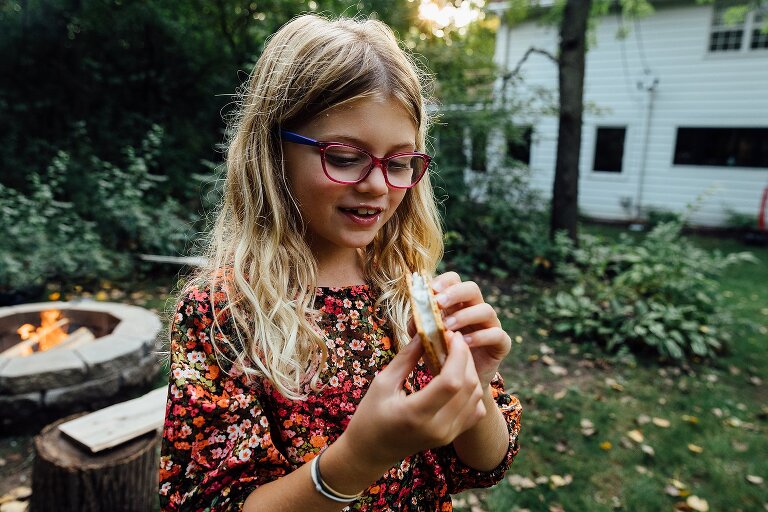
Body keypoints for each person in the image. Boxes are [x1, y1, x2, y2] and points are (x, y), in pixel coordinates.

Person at [159, 14, 522, 512]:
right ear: (273, 150)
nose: (377, 184)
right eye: (346, 156)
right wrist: (359, 457)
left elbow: (484, 465)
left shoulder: (404, 287)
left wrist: (473, 386)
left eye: (399, 163)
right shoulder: (222, 312)